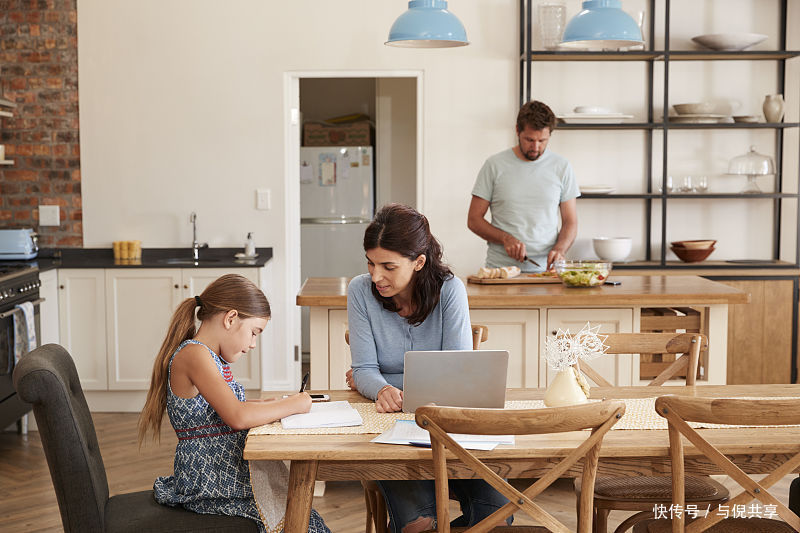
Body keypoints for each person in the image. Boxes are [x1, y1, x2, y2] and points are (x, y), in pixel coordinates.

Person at [346, 203, 511, 533]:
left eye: (388, 266)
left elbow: (458, 374)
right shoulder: (360, 290)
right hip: (390, 431)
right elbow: (363, 369)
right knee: (419, 522)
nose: (376, 276)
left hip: (451, 431)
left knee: (498, 514)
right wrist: (380, 387)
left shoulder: (450, 290)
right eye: (371, 263)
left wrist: (382, 379)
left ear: (419, 262)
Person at [138, 273, 329, 533]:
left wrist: (268, 403)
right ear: (230, 318)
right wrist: (296, 404)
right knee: (296, 518)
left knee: (303, 514)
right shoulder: (195, 355)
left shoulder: (209, 356)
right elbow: (236, 416)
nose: (252, 344)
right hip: (210, 479)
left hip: (221, 472)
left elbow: (223, 409)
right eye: (254, 332)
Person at [468, 99, 579, 272]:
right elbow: (474, 219)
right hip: (501, 271)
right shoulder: (494, 165)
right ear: (517, 130)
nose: (535, 147)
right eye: (529, 139)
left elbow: (570, 221)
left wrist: (560, 249)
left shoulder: (562, 167)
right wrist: (505, 238)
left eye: (542, 140)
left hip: (547, 272)